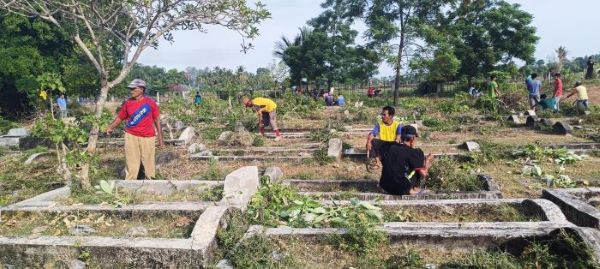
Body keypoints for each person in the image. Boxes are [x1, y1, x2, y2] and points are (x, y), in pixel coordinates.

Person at [106, 79, 164, 180]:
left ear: (141, 89)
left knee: (149, 161)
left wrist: (160, 138)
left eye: (133, 89)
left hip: (148, 137)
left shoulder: (150, 103)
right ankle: (130, 182)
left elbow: (157, 120)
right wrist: (111, 127)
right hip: (131, 136)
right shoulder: (128, 103)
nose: (131, 91)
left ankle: (151, 181)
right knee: (131, 161)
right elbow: (120, 117)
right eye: (130, 89)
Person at [380, 125, 434, 195]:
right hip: (401, 188)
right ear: (412, 139)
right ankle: (414, 189)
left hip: (385, 186)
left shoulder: (391, 148)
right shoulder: (415, 152)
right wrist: (427, 161)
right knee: (417, 167)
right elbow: (424, 174)